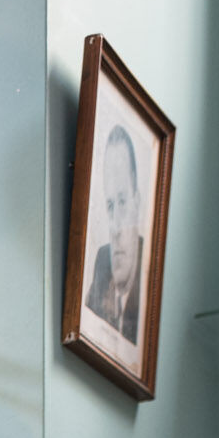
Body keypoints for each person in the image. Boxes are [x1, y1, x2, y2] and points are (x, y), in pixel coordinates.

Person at [85, 123, 143, 343]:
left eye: (122, 201)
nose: (116, 227)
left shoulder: (148, 275)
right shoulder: (102, 262)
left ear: (136, 204)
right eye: (110, 206)